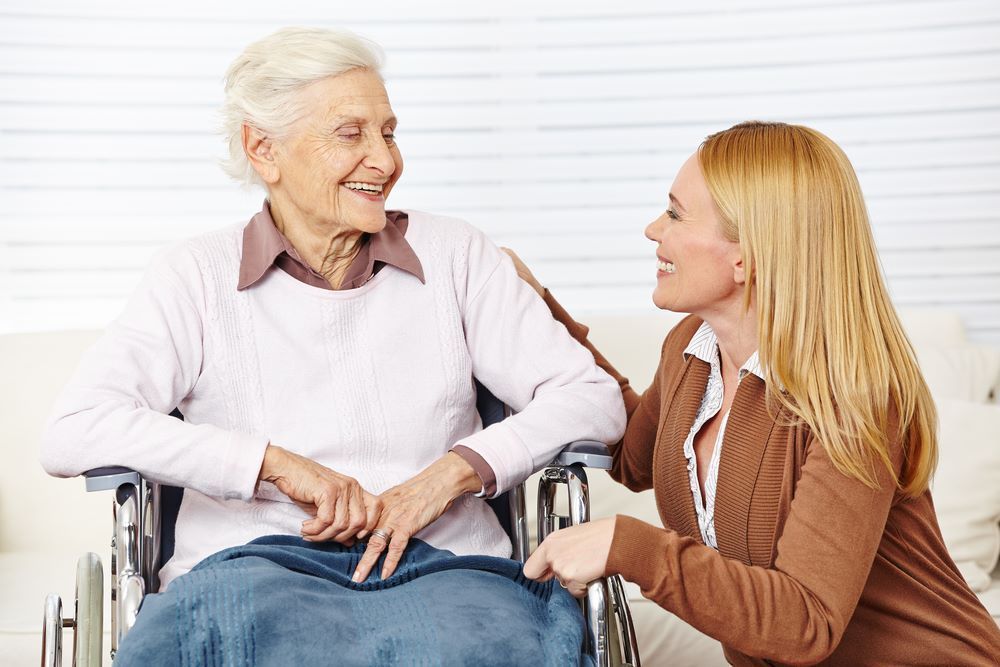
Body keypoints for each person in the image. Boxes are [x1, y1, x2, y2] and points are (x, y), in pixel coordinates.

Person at [40, 26, 625, 663]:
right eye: (351, 134)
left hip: (448, 569)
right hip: (251, 565)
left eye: (390, 132)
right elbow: (75, 429)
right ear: (264, 150)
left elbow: (592, 397)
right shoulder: (195, 275)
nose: (385, 160)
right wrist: (273, 464)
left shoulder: (457, 255)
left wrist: (450, 475)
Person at [513, 121, 1000, 665]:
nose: (654, 230)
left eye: (675, 214)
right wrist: (536, 308)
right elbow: (633, 457)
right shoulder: (692, 351)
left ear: (746, 257)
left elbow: (804, 624)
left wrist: (632, 547)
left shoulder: (850, 397)